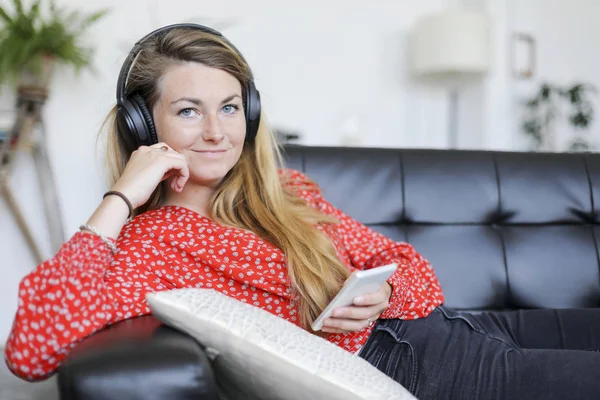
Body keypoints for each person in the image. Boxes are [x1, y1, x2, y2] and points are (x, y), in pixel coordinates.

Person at [4, 23, 600, 399]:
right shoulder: (150, 243)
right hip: (432, 371)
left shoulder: (285, 194)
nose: (216, 132)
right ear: (142, 123)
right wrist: (121, 198)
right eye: (188, 111)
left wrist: (382, 296)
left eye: (231, 107)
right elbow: (32, 348)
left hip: (464, 330)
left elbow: (407, 266)